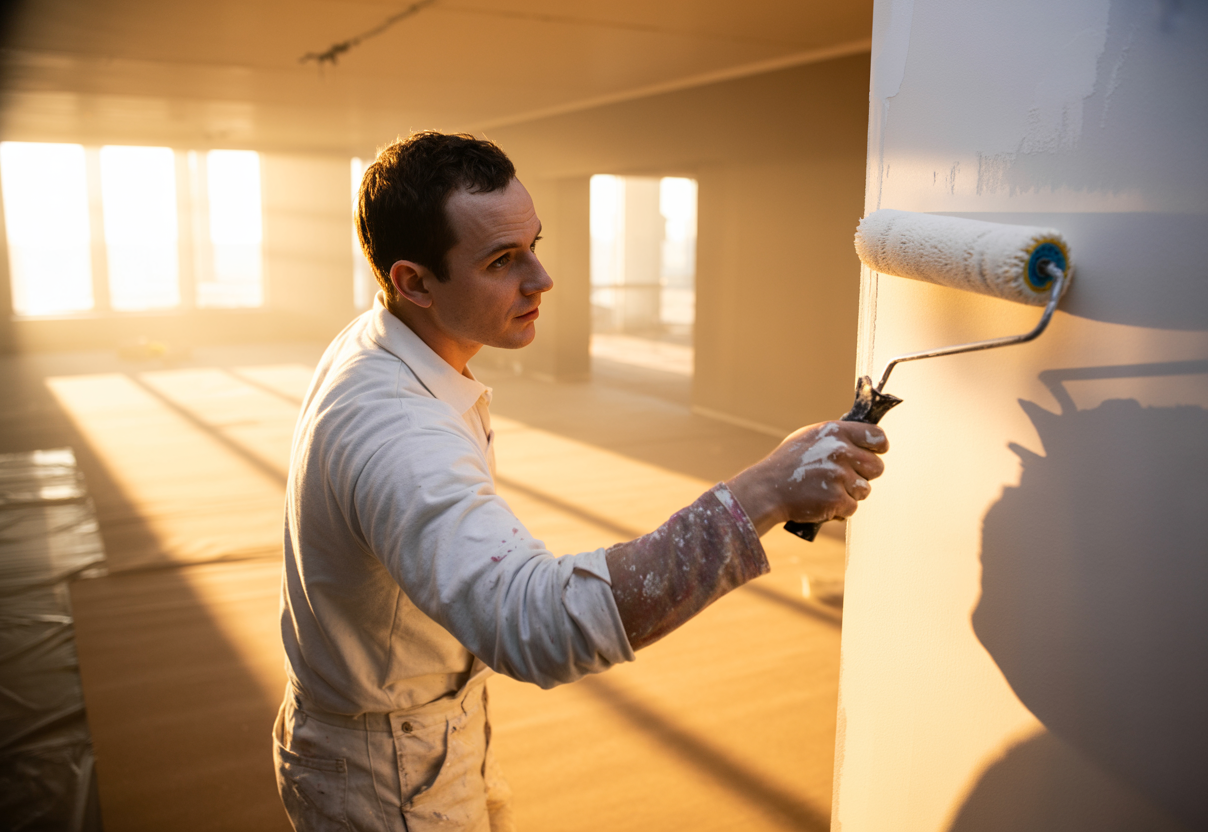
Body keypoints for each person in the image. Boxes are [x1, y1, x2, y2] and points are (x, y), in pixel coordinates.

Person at [273, 131, 887, 832]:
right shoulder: (398, 432)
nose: (541, 278)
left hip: (403, 729)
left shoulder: (381, 339)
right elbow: (537, 622)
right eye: (503, 261)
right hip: (389, 771)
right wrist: (764, 493)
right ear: (413, 281)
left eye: (535, 243)